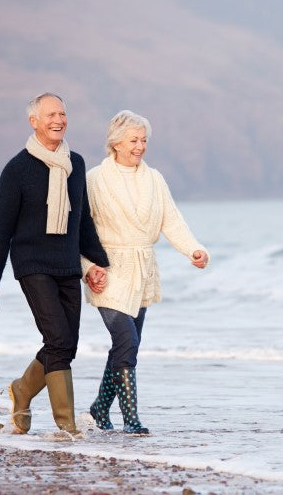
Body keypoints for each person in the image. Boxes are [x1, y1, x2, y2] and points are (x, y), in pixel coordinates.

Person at [0, 92, 110, 436]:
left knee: (66, 343)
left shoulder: (76, 163)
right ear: (34, 121)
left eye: (63, 114)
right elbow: (1, 228)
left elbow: (82, 221)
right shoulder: (17, 169)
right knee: (57, 338)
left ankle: (21, 390)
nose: (59, 120)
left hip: (67, 264)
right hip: (32, 264)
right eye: (51, 114)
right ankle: (67, 424)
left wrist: (99, 263)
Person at [82, 110, 209, 434]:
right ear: (116, 142)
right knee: (126, 339)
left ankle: (98, 409)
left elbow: (172, 219)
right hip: (107, 270)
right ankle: (131, 419)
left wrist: (193, 249)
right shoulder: (96, 178)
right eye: (134, 140)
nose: (140, 146)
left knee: (127, 345)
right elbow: (82, 229)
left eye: (144, 140)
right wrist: (87, 267)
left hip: (143, 269)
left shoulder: (154, 178)